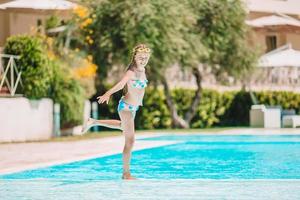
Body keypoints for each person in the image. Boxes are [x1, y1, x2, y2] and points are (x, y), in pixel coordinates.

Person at [81, 44, 151, 180]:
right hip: (125, 108)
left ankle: (93, 121)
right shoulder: (131, 71)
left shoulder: (143, 70)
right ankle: (126, 174)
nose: (143, 60)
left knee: (122, 126)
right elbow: (121, 83)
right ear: (134, 57)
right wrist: (108, 93)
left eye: (146, 58)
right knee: (130, 141)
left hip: (133, 108)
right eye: (141, 57)